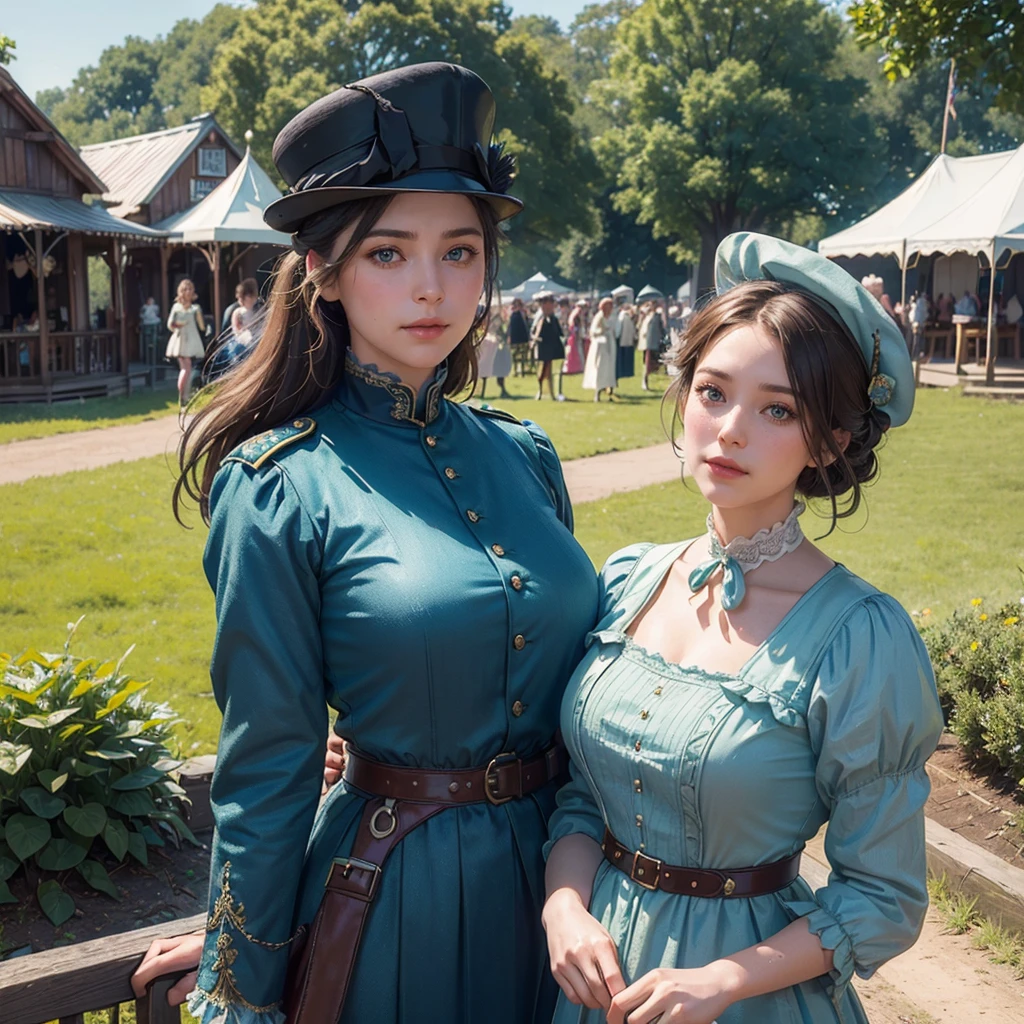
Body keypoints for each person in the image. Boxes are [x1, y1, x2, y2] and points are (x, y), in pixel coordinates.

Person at [130, 62, 599, 1024]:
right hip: (399, 905)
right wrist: (237, 976)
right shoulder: (277, 484)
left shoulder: (527, 456)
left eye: (459, 252)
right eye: (388, 253)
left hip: (571, 901)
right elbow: (268, 764)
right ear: (323, 271)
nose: (431, 287)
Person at [542, 232, 943, 1024]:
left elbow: (883, 896)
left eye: (777, 410)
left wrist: (722, 980)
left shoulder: (862, 639)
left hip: (750, 1001)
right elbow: (583, 798)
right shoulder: (627, 580)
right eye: (714, 392)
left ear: (829, 439)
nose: (729, 430)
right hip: (594, 988)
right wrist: (563, 906)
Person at [166, 278, 207, 406]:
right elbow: (170, 324)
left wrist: (200, 317)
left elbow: (202, 327)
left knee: (187, 368)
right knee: (185, 368)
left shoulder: (195, 308)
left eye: (190, 289)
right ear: (181, 291)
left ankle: (185, 395)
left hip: (192, 338)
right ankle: (182, 396)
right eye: (186, 289)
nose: (189, 291)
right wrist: (180, 324)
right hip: (181, 339)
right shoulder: (176, 307)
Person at [532, 290, 566, 400]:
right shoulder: (539, 318)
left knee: (556, 373)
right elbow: (533, 333)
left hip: (555, 349)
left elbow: (560, 333)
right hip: (543, 348)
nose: (549, 305)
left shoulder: (554, 318)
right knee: (541, 372)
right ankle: (542, 392)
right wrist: (536, 338)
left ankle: (556, 393)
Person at [582, 296, 618, 400]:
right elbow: (593, 332)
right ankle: (597, 392)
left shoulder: (611, 317)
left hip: (610, 344)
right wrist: (602, 331)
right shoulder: (599, 317)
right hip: (600, 346)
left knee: (610, 368)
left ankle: (609, 389)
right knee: (600, 368)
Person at [476, 306, 512, 398]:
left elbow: (500, 333)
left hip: (494, 348)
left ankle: (502, 389)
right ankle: (480, 392)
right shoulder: (478, 322)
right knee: (481, 370)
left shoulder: (496, 321)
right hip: (484, 348)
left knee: (499, 368)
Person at [637, 300, 666, 391]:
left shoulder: (657, 316)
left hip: (654, 343)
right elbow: (639, 327)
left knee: (652, 364)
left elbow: (663, 326)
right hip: (646, 343)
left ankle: (648, 381)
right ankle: (644, 382)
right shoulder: (646, 316)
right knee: (646, 363)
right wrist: (641, 317)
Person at [508, 296, 531, 375]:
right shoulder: (512, 315)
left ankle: (523, 369)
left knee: (523, 355)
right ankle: (515, 370)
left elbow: (527, 325)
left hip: (523, 337)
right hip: (515, 338)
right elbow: (510, 327)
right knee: (515, 355)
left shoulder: (523, 313)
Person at [563, 299, 587, 375]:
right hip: (576, 336)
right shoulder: (577, 314)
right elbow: (576, 326)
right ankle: (580, 367)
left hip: (574, 336)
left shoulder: (574, 313)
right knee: (578, 352)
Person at [614, 298, 636, 380]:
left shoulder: (622, 315)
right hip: (628, 340)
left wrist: (616, 336)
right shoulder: (628, 316)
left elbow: (618, 328)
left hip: (622, 340)